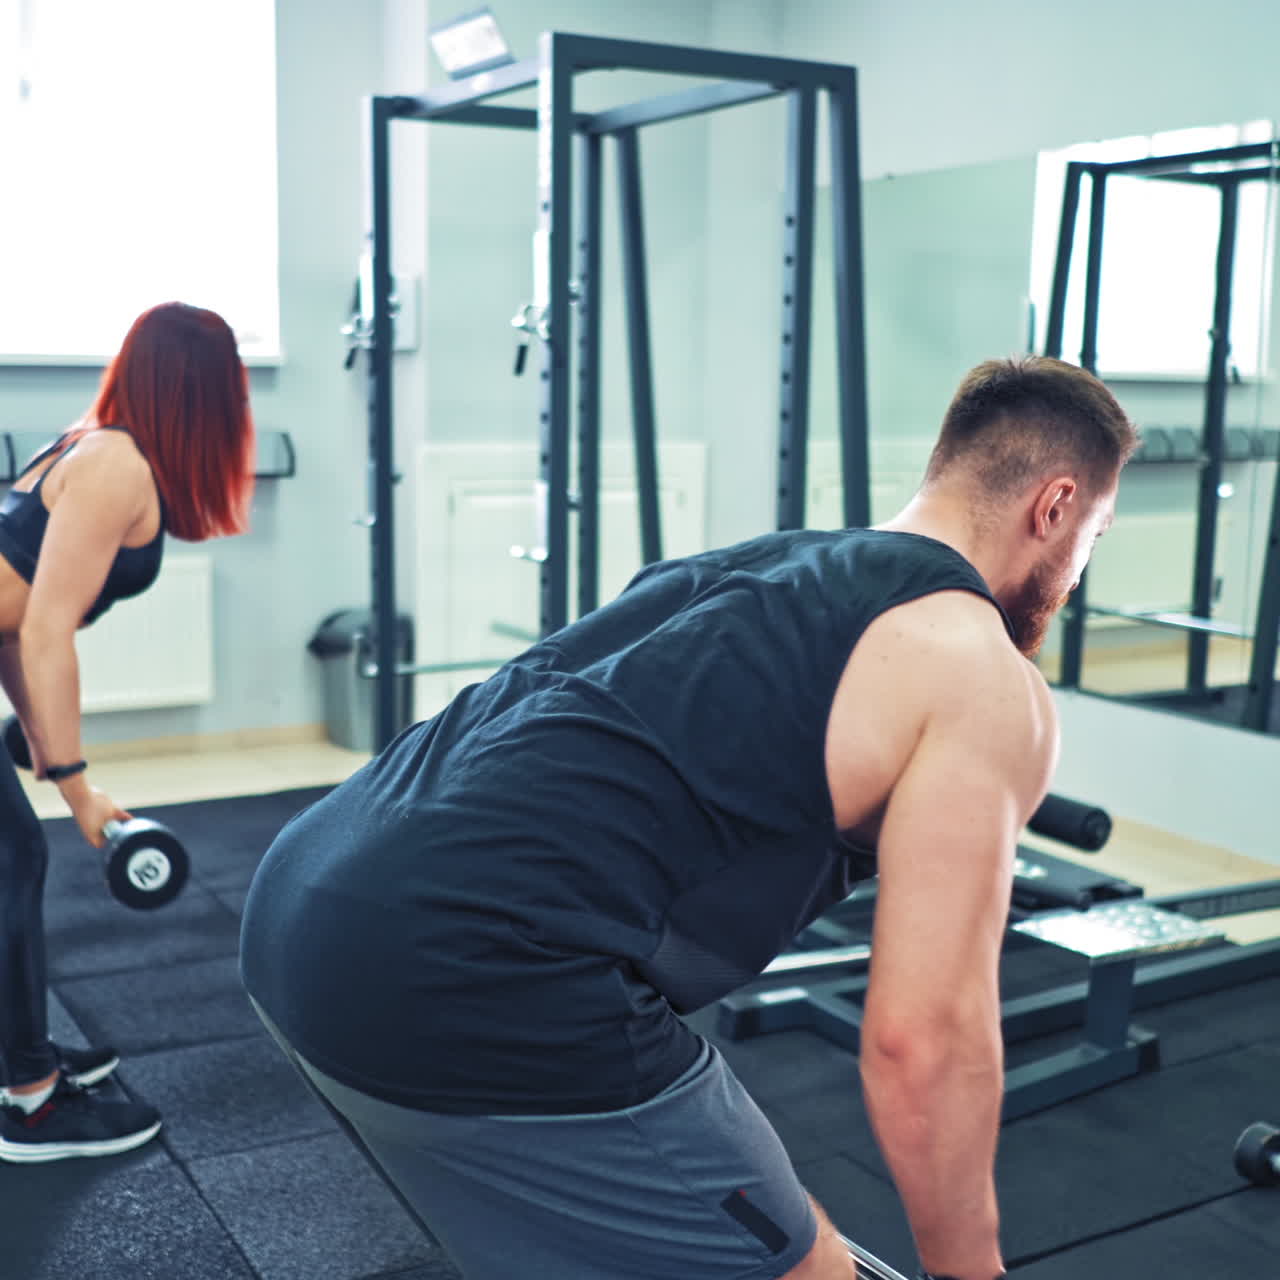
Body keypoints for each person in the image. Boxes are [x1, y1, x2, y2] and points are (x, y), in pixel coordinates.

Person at [240, 355, 1137, 1280]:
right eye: (1094, 534)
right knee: (810, 1269)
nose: (1077, 573)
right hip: (469, 970)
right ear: (1056, 504)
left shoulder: (753, 562)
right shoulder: (985, 676)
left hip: (295, 906)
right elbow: (926, 1041)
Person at [0, 302, 255, 1163]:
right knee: (11, 863)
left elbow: (10, 620)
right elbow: (43, 630)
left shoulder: (87, 441)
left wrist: (38, 738)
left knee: (9, 863)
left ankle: (18, 1056)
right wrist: (76, 787)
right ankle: (29, 1101)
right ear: (208, 390)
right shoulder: (115, 464)